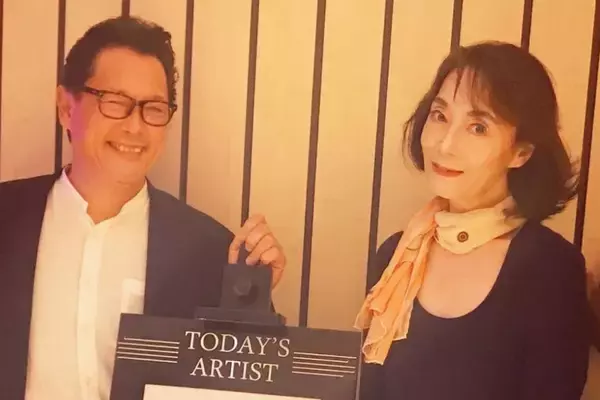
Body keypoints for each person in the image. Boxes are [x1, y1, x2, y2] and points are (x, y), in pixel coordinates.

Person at [0, 16, 287, 400]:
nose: (135, 127)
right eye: (115, 102)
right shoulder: (6, 219)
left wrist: (251, 301)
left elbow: (239, 386)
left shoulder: (210, 250)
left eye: (153, 108)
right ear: (67, 108)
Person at [356, 41, 591, 399]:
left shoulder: (551, 268)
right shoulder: (396, 255)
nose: (445, 145)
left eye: (478, 127)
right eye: (440, 116)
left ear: (521, 152)